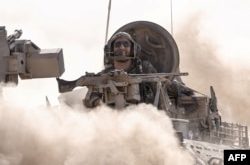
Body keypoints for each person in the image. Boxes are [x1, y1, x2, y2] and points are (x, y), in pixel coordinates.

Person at [84, 32, 157, 108]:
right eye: (117, 45)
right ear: (111, 49)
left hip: (145, 115)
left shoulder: (144, 68)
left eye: (126, 44)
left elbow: (160, 89)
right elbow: (89, 99)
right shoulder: (104, 75)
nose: (122, 47)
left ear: (132, 49)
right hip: (114, 117)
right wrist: (99, 104)